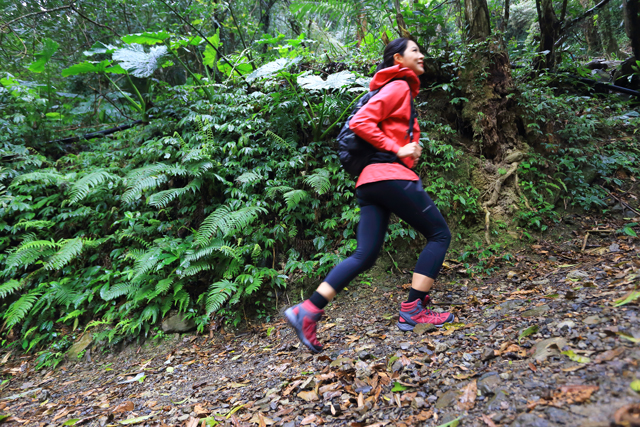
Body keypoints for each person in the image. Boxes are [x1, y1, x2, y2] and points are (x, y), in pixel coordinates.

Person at [285, 38, 454, 353]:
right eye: (414, 50)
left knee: (364, 255)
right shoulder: (398, 86)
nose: (421, 55)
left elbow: (380, 130)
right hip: (389, 176)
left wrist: (407, 148)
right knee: (439, 235)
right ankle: (413, 309)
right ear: (397, 59)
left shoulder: (393, 89)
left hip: (369, 182)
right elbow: (361, 123)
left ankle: (307, 310)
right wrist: (397, 148)